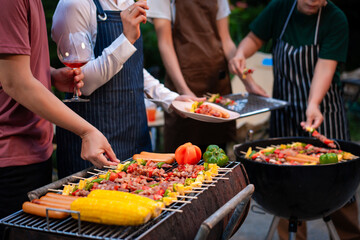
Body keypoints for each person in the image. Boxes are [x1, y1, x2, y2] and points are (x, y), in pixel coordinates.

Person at [229, 0, 360, 239]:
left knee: (339, 188)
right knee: (287, 190)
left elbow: (325, 68)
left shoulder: (335, 18)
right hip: (285, 112)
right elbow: (252, 42)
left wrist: (313, 103)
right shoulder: (279, 9)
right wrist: (240, 59)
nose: (313, 1)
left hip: (323, 113)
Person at [0, 0, 120, 236]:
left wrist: (50, 76)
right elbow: (15, 82)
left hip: (33, 152)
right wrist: (87, 131)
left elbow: (15, 68)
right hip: (11, 160)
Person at [51, 0, 201, 179]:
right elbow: (83, 82)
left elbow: (132, 67)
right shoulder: (75, 4)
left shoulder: (128, 2)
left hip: (137, 138)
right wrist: (127, 39)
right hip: (94, 146)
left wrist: (171, 99)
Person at [146, 0, 268, 153]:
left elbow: (226, 41)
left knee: (218, 156)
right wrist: (184, 90)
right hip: (184, 84)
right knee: (183, 159)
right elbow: (165, 44)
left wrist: (248, 82)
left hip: (217, 83)